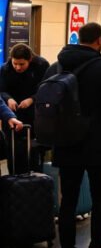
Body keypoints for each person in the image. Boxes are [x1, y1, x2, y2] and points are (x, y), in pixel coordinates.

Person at [44, 23, 101, 248]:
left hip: (65, 143)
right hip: (96, 143)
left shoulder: (57, 66)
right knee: (100, 197)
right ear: (99, 40)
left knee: (68, 201)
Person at [0, 43, 49, 173]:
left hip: (35, 114)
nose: (17, 67)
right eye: (15, 63)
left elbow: (47, 89)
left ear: (30, 60)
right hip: (12, 114)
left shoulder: (41, 66)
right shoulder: (5, 69)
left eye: (22, 64)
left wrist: (32, 99)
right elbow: (1, 90)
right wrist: (8, 98)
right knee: (13, 151)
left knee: (33, 151)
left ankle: (35, 178)